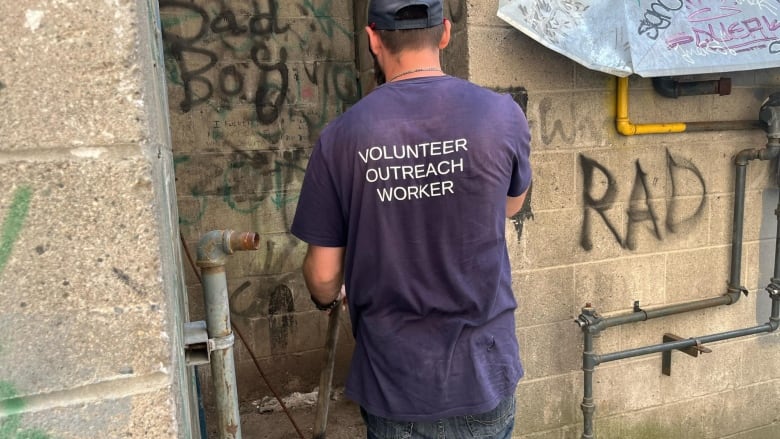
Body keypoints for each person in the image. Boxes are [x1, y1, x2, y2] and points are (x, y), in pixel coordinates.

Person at [291, 0, 531, 437]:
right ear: (444, 34)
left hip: (396, 384)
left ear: (372, 40)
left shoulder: (341, 137)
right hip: (483, 371)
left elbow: (324, 275)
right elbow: (509, 207)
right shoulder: (502, 116)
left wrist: (328, 298)